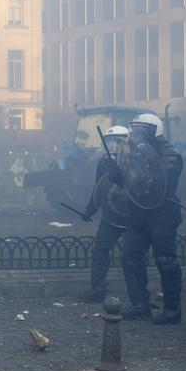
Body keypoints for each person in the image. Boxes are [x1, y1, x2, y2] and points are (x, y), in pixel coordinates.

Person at [113, 113, 184, 323]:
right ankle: (140, 305)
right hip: (139, 213)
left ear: (155, 131)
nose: (137, 134)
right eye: (136, 130)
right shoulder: (133, 152)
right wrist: (118, 177)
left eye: (143, 130)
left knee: (166, 261)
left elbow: (159, 183)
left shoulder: (170, 154)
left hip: (163, 213)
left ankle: (172, 310)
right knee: (130, 257)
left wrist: (131, 175)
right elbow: (133, 181)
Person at [78, 125, 129, 303]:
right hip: (111, 215)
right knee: (100, 250)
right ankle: (98, 289)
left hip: (132, 215)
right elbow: (99, 188)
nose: (113, 146)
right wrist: (90, 209)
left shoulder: (135, 161)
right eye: (110, 141)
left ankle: (138, 296)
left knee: (132, 255)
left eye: (118, 142)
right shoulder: (104, 162)